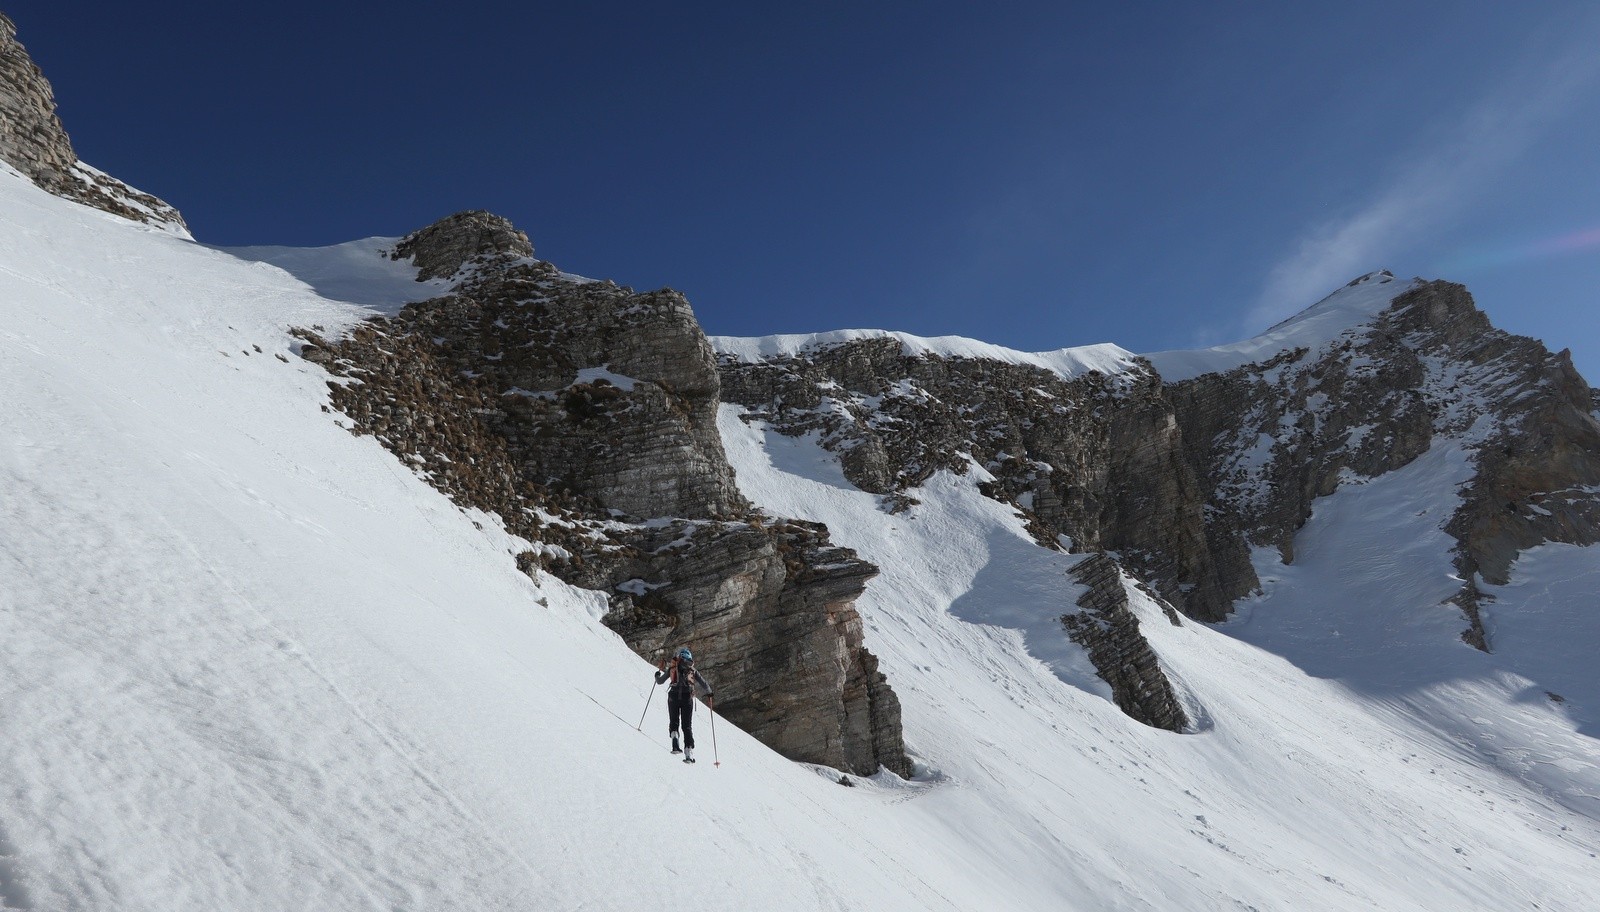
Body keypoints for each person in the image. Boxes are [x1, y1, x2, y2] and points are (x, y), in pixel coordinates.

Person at [655, 646, 713, 763]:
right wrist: (710, 694)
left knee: (674, 721)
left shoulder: (673, 667)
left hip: (673, 696)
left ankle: (675, 744)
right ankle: (689, 754)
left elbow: (660, 681)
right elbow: (704, 683)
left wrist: (657, 674)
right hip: (687, 699)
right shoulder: (692, 670)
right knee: (687, 726)